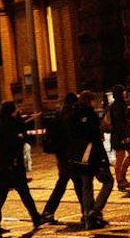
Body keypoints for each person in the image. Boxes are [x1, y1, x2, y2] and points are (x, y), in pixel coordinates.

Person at [0, 101, 41, 236]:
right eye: (16, 109)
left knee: (3, 197)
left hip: (5, 166)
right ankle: (36, 218)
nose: (18, 111)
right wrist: (20, 137)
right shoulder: (8, 125)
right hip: (11, 167)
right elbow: (16, 141)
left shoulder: (1, 123)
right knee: (21, 193)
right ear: (11, 111)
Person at [63, 92, 111, 231]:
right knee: (108, 181)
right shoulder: (90, 115)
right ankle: (94, 212)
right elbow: (96, 139)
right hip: (93, 156)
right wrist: (102, 159)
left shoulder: (73, 115)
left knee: (86, 186)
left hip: (79, 157)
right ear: (90, 101)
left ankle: (88, 218)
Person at [36, 93, 82, 228]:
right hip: (71, 156)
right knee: (77, 184)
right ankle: (87, 212)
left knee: (64, 183)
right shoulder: (72, 115)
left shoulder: (59, 115)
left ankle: (48, 212)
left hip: (62, 156)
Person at [105, 87, 130, 189]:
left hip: (123, 135)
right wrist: (125, 136)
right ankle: (119, 180)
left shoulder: (121, 104)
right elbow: (119, 123)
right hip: (119, 136)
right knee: (120, 158)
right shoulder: (117, 106)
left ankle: (122, 175)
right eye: (123, 92)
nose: (125, 93)